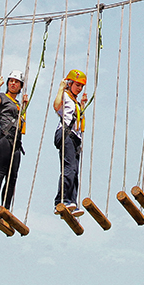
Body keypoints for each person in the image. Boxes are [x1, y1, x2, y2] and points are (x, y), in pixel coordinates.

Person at [0, 69, 28, 212]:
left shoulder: (18, 103)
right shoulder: (3, 97)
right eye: (11, 81)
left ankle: (5, 208)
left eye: (16, 82)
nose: (13, 83)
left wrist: (23, 107)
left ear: (20, 86)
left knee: (12, 178)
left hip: (16, 143)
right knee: (0, 172)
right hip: (5, 138)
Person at [53, 68, 87, 214]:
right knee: (69, 169)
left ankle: (72, 201)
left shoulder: (75, 101)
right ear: (70, 83)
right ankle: (61, 200)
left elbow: (80, 122)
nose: (79, 88)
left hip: (75, 137)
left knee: (75, 172)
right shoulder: (65, 96)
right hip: (66, 134)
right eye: (77, 85)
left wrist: (82, 104)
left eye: (81, 86)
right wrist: (61, 88)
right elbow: (56, 106)